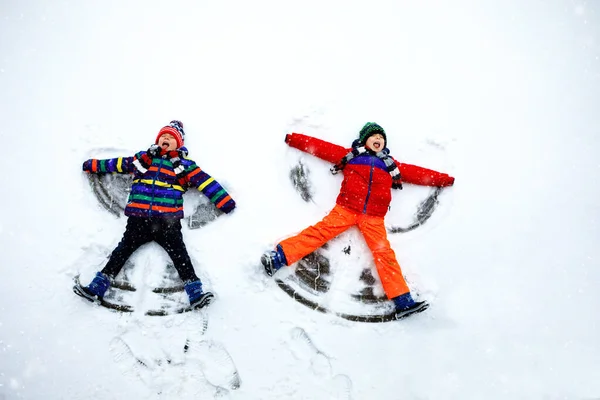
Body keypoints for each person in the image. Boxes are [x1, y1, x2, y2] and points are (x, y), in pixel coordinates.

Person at [261, 122, 455, 319]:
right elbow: (321, 148)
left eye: (381, 138)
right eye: (374, 137)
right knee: (319, 233)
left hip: (373, 218)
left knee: (383, 253)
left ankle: (403, 301)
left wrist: (443, 179)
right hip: (346, 209)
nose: (378, 140)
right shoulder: (352, 156)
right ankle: (277, 258)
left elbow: (417, 173)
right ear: (365, 140)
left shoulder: (390, 165)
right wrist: (295, 139)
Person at [74, 120, 236, 309]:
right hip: (138, 219)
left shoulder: (184, 166)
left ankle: (195, 294)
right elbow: (119, 164)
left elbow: (205, 182)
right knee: (121, 252)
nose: (165, 139)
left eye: (170, 137)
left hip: (168, 221)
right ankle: (97, 288)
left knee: (180, 256)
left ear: (179, 144)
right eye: (162, 136)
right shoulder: (144, 159)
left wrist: (224, 201)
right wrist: (93, 165)